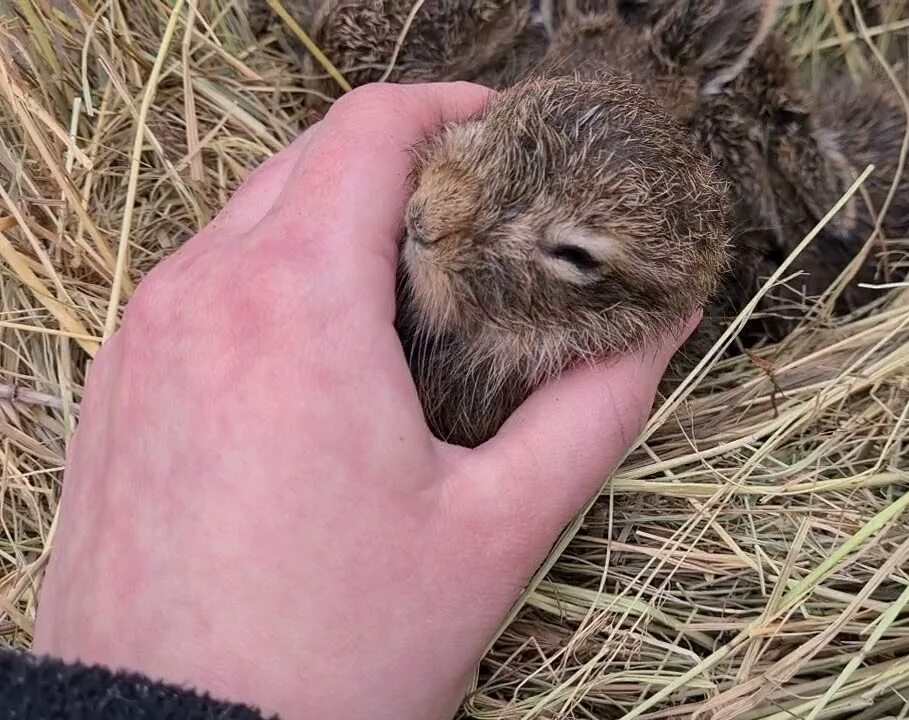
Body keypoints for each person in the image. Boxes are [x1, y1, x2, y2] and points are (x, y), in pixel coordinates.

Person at [0, 82, 695, 719]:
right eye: (486, 136)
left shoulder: (537, 367)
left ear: (632, 307)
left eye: (570, 255)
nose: (434, 209)